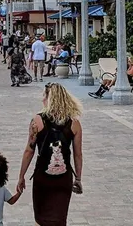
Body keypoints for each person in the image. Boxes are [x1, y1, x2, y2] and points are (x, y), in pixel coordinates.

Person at [17, 83, 83, 226]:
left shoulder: (37, 121)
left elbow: (29, 150)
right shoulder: (74, 123)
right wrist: (78, 178)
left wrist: (21, 176)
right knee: (59, 219)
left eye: (44, 96)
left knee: (41, 219)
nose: (42, 99)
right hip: (63, 178)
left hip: (43, 177)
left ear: (50, 99)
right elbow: (78, 154)